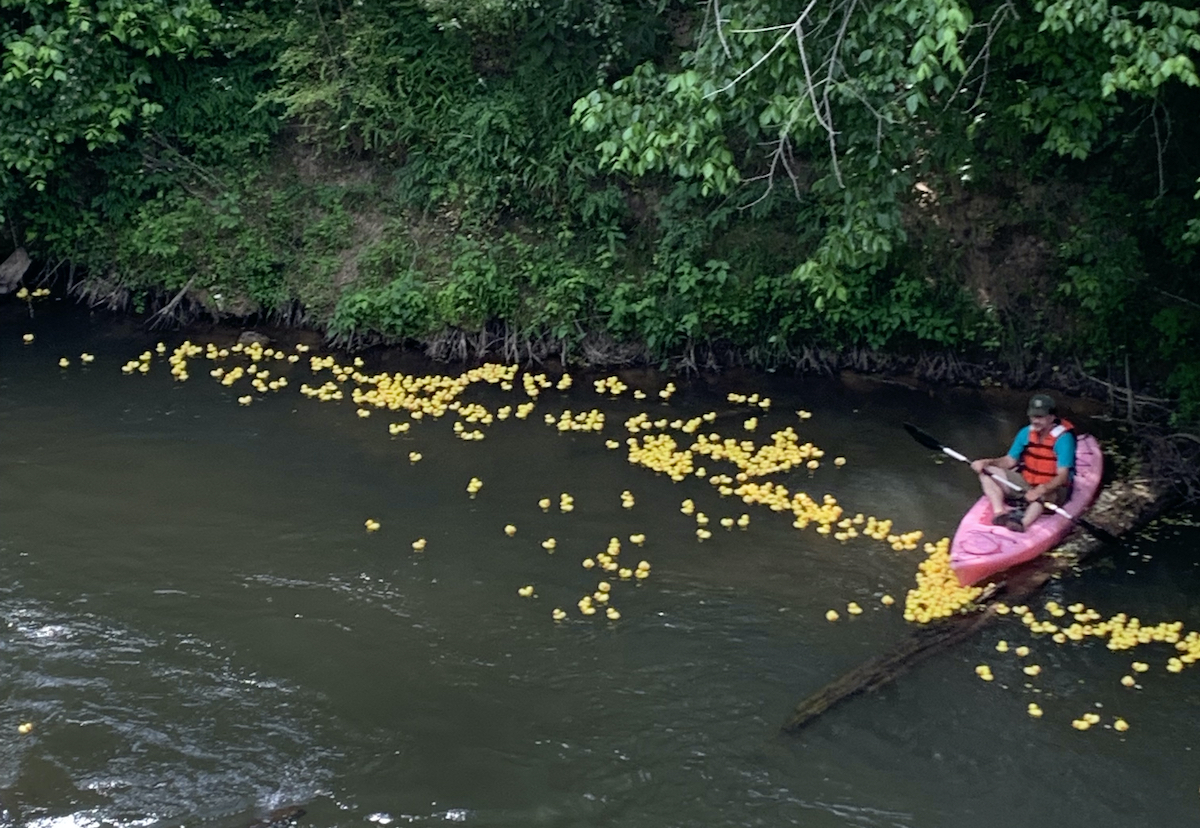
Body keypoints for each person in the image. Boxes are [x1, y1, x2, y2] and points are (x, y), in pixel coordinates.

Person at [969, 393, 1076, 533]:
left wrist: (1040, 490)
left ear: (1052, 417)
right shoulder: (1025, 433)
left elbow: (1062, 477)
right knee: (987, 472)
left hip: (1051, 489)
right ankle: (1000, 513)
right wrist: (987, 462)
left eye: (1040, 417)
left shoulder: (1064, 439)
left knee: (1042, 496)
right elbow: (1009, 461)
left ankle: (1023, 524)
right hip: (1027, 483)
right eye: (1033, 416)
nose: (1035, 421)